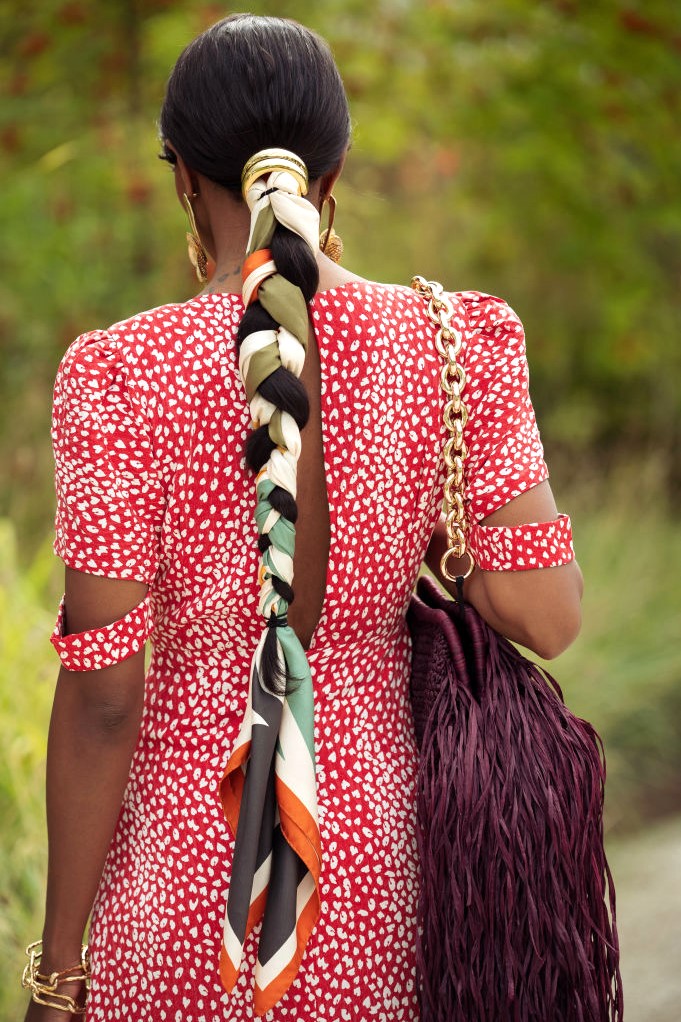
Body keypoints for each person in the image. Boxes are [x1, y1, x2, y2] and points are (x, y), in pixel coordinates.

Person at [23, 13, 582, 1022]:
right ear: (334, 174)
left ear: (184, 176)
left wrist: (59, 972)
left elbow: (103, 701)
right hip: (385, 870)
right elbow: (546, 615)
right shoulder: (458, 344)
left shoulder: (116, 376)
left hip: (184, 889)